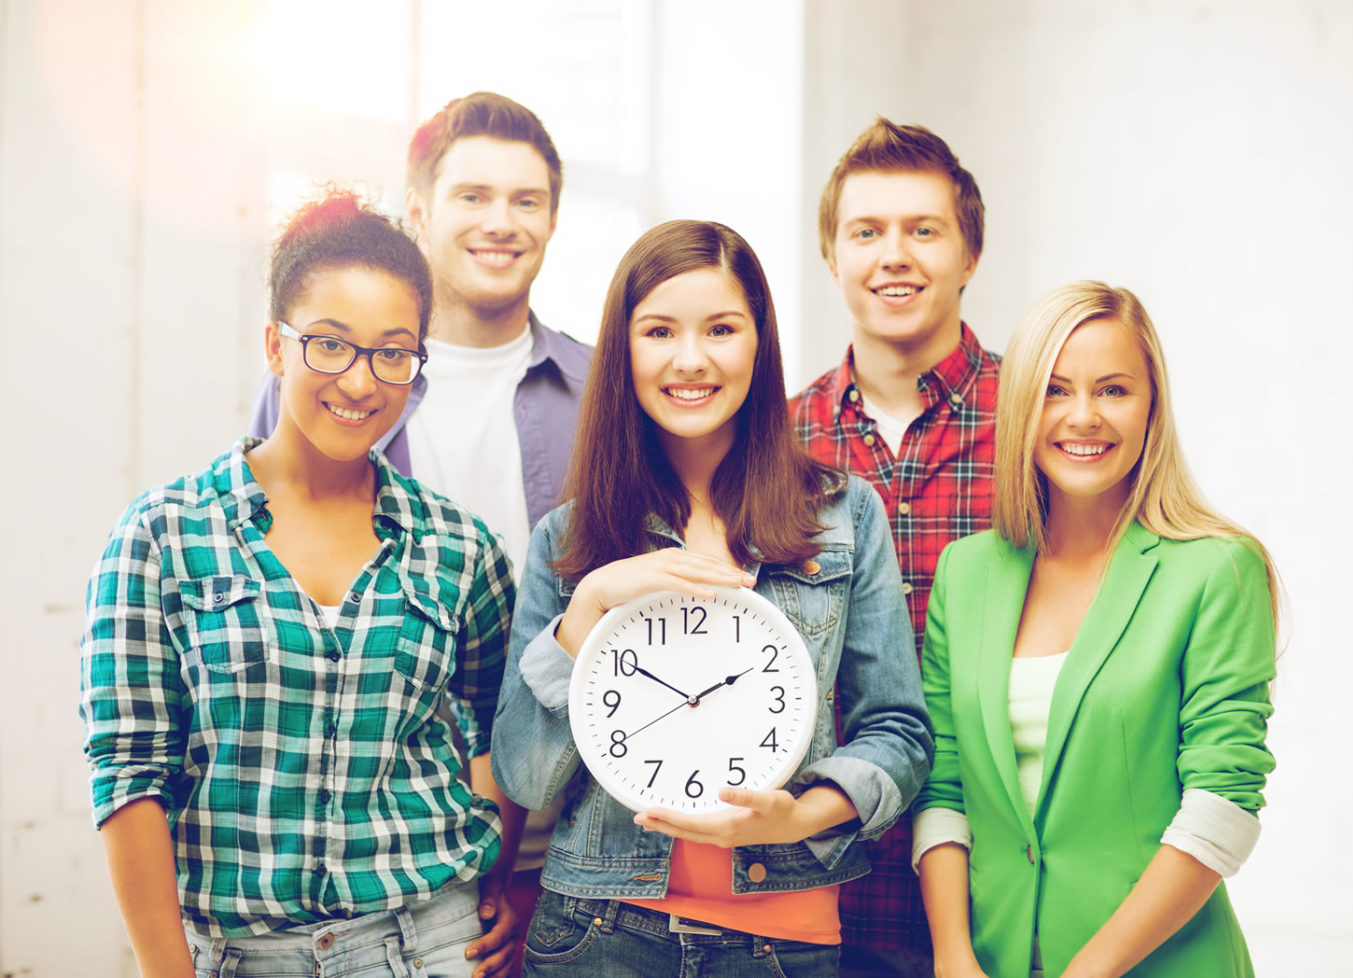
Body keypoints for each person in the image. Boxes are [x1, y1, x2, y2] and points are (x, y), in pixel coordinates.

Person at [81, 191, 524, 978]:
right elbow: (129, 774)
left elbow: (498, 731)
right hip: (240, 955)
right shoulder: (161, 535)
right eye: (329, 344)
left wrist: (499, 882)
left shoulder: (460, 547)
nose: (361, 382)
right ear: (275, 347)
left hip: (433, 943)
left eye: (393, 352)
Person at [490, 220, 934, 976]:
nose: (690, 360)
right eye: (659, 331)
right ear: (623, 348)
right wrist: (589, 605)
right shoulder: (569, 539)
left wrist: (802, 816)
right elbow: (524, 778)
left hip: (785, 940)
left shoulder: (842, 513)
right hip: (598, 932)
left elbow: (898, 732)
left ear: (758, 343)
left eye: (721, 329)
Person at [249, 93, 593, 972]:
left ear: (553, 218)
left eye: (527, 200)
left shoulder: (601, 393)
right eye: (472, 195)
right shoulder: (329, 385)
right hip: (382, 860)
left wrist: (518, 875)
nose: (501, 222)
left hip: (573, 847)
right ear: (418, 212)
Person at [915, 282, 1280, 978]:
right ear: (1021, 406)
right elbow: (944, 791)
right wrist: (953, 955)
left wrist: (1090, 971)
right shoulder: (964, 574)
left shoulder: (1216, 569)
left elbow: (1222, 804)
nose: (1083, 417)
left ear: (1152, 408)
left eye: (1113, 390)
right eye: (1055, 390)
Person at [790, 117, 998, 977]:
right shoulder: (774, 442)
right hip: (820, 883)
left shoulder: (1040, 428)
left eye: (924, 230)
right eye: (866, 232)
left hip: (1002, 871)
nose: (894, 256)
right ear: (833, 258)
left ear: (969, 254)